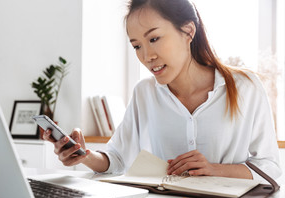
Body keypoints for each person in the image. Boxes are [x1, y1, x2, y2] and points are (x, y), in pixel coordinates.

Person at [43, 0, 282, 180]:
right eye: (136, 46)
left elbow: (270, 167)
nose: (147, 56)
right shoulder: (144, 93)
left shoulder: (245, 87)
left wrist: (213, 169)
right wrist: (83, 154)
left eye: (154, 39)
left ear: (188, 31)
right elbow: (115, 159)